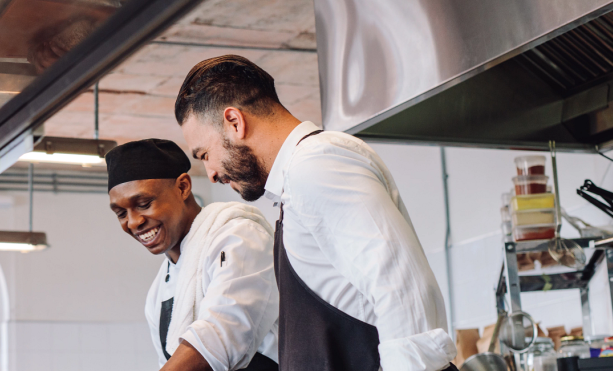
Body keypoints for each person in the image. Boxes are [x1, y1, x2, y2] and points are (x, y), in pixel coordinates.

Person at [173, 55, 458, 371]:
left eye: (205, 154)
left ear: (235, 122)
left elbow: (403, 289)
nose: (210, 173)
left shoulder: (316, 165)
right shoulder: (298, 180)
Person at [105, 139, 280, 371]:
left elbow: (222, 335)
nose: (134, 222)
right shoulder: (158, 291)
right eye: (121, 213)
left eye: (144, 203)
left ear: (183, 187)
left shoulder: (239, 235)